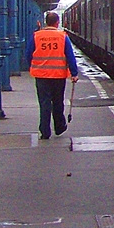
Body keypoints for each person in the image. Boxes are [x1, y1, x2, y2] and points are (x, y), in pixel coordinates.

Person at [25, 11, 79, 140]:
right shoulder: (62, 36)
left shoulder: (36, 36)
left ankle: (45, 131)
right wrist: (74, 73)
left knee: (44, 103)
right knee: (58, 102)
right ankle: (59, 126)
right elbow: (70, 56)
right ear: (57, 22)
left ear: (46, 22)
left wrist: (33, 66)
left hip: (41, 75)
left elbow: (28, 54)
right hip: (58, 75)